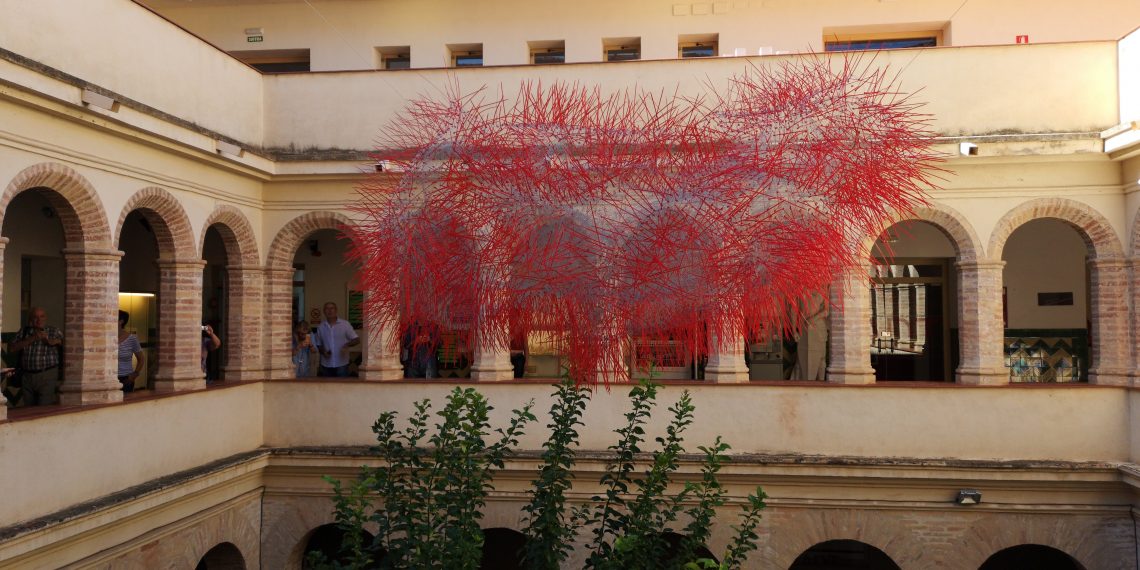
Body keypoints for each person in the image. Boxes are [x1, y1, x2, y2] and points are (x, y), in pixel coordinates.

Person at [11, 307, 63, 406]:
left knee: (43, 407)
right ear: (31, 319)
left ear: (45, 318)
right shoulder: (24, 332)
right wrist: (33, 338)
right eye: (35, 317)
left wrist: (57, 341)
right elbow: (12, 348)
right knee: (29, 408)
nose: (39, 320)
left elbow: (69, 345)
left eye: (42, 316)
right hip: (27, 375)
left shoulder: (54, 331)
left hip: (47, 374)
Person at [314, 302, 359, 377]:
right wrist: (323, 352)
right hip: (326, 365)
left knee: (342, 388)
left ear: (336, 310)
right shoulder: (320, 327)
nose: (330, 310)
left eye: (332, 308)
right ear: (324, 311)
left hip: (342, 364)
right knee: (327, 388)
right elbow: (319, 345)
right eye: (327, 309)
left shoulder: (345, 325)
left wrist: (347, 345)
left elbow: (357, 339)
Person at [116, 310, 145, 393]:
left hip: (125, 378)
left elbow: (141, 359)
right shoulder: (108, 337)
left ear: (121, 321)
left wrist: (133, 376)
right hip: (109, 378)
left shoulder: (132, 339)